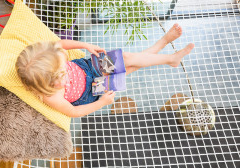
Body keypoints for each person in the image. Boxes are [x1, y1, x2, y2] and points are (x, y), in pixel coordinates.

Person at [15, 23, 194, 118]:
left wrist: (86, 45)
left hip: (88, 66)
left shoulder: (51, 56)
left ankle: (169, 56)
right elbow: (74, 112)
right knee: (127, 69)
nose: (66, 75)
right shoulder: (51, 96)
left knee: (125, 58)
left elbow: (60, 44)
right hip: (92, 89)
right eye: (62, 76)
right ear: (47, 85)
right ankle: (167, 52)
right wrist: (102, 103)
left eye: (64, 68)